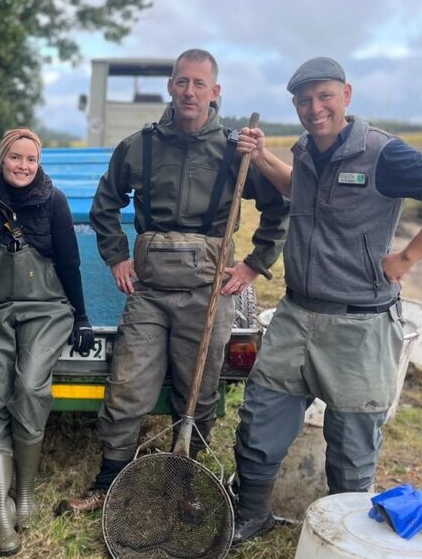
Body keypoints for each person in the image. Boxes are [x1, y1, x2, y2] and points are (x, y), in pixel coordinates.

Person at [230, 56, 422, 545]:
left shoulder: (382, 153)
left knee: (351, 446)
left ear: (346, 95)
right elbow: (298, 190)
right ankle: (253, 513)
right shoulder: (305, 151)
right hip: (297, 314)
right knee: (260, 421)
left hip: (360, 324)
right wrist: (261, 157)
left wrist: (406, 258)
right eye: (304, 100)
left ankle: (346, 540)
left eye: (324, 96)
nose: (314, 107)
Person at [57, 48, 290, 515]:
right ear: (170, 86)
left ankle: (186, 481)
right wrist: (117, 258)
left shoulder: (234, 150)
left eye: (199, 84)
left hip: (207, 294)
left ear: (215, 92)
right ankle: (109, 480)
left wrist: (251, 266)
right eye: (182, 82)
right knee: (127, 386)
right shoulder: (139, 146)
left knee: (199, 391)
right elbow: (106, 205)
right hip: (149, 292)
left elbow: (279, 207)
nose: (189, 91)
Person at [0, 128, 92, 555]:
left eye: (31, 159)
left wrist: (80, 316)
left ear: (38, 162)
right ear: (2, 158)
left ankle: (23, 492)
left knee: (28, 387)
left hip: (45, 309)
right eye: (15, 157)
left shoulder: (54, 200)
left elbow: (69, 262)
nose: (23, 166)